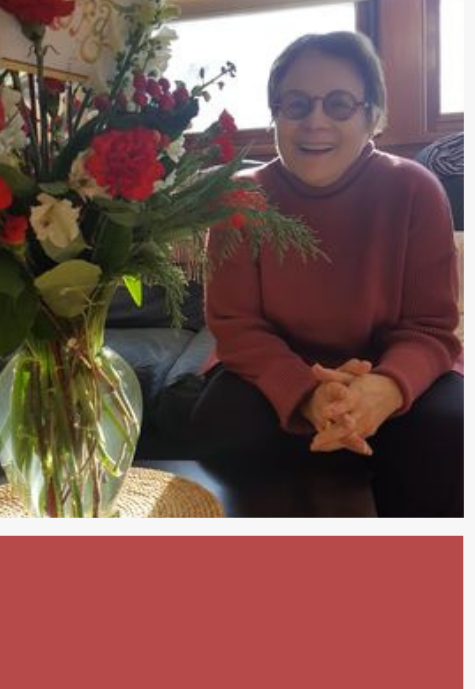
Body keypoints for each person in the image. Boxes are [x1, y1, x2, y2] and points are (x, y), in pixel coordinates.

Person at [197, 31, 460, 517]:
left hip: (387, 367)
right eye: (296, 105)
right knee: (224, 424)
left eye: (339, 104)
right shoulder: (238, 199)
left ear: (372, 116)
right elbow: (236, 328)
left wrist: (384, 389)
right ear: (275, 115)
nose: (315, 121)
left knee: (449, 427)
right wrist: (307, 394)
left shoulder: (415, 190)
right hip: (271, 371)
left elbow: (431, 328)